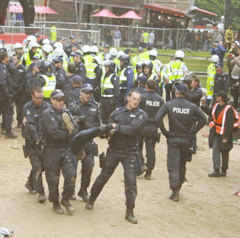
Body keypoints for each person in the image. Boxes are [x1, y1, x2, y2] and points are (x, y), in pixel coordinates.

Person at [85, 89, 148, 224]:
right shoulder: (117, 112)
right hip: (114, 150)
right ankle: (91, 199)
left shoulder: (142, 115)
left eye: (138, 100)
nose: (136, 102)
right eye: (134, 98)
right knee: (103, 176)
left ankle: (129, 211)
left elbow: (133, 130)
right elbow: (107, 130)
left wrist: (116, 127)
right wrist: (108, 131)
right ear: (128, 98)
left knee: (131, 182)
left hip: (130, 152)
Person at [155, 83, 206, 202]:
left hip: (173, 137)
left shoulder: (169, 104)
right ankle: (179, 186)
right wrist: (192, 132)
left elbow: (158, 118)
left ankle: (175, 190)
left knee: (173, 163)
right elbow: (203, 119)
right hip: (186, 138)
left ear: (176, 92)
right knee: (182, 163)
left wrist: (165, 132)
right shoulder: (192, 106)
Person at [41, 89, 77, 215]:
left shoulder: (66, 112)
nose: (61, 102)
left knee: (71, 175)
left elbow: (75, 129)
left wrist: (69, 130)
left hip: (65, 149)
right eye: (58, 99)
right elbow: (54, 134)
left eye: (62, 99)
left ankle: (65, 199)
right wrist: (68, 131)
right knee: (53, 179)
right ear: (51, 100)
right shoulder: (47, 114)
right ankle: (55, 202)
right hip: (51, 150)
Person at [69, 83, 101, 202]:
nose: (88, 95)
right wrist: (77, 121)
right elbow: (67, 124)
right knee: (72, 167)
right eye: (86, 93)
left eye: (90, 93)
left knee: (89, 166)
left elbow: (98, 124)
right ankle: (70, 190)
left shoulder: (94, 106)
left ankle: (83, 190)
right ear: (81, 92)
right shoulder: (73, 106)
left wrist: (91, 127)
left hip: (88, 142)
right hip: (76, 141)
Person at [201, 91, 239, 177]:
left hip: (224, 133)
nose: (215, 97)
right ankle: (216, 169)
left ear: (220, 98)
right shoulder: (216, 106)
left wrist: (226, 137)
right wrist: (203, 105)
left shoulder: (228, 109)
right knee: (215, 149)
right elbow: (209, 112)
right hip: (216, 132)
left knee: (225, 152)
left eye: (217, 96)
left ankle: (224, 170)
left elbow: (229, 125)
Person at [22, 86, 50, 202]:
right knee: (37, 166)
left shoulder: (47, 106)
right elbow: (30, 125)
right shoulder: (27, 108)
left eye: (41, 98)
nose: (40, 100)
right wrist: (37, 140)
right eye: (37, 98)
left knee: (42, 166)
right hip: (32, 142)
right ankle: (41, 192)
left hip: (45, 142)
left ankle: (30, 182)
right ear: (32, 96)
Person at [138, 80, 164, 179]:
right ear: (156, 87)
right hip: (153, 127)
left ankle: (141, 164)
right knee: (151, 150)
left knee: (137, 147)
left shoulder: (142, 98)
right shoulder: (160, 100)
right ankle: (149, 172)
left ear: (146, 87)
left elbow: (138, 112)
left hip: (142, 126)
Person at [0, 51, 18, 139]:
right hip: (3, 95)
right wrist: (7, 94)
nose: (9, 58)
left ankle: (7, 131)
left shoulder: (4, 66)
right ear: (5, 58)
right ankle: (8, 131)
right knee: (8, 113)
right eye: (8, 57)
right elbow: (2, 81)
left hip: (3, 94)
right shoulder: (2, 67)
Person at [11, 53, 27, 128]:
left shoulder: (22, 69)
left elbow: (24, 80)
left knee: (20, 108)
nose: (13, 61)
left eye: (15, 59)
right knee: (8, 107)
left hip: (19, 91)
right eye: (12, 59)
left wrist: (21, 89)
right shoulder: (9, 68)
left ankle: (19, 122)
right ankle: (8, 122)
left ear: (18, 60)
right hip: (10, 90)